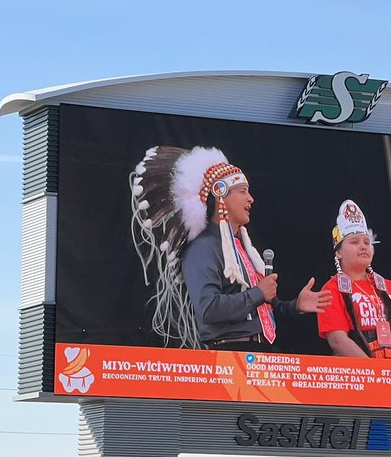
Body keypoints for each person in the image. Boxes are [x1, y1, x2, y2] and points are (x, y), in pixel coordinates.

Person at [130, 145, 330, 349]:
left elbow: (262, 308)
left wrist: (295, 306)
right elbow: (208, 309)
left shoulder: (243, 248)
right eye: (243, 191)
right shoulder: (202, 248)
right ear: (220, 196)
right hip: (231, 353)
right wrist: (258, 293)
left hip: (261, 352)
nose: (251, 199)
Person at [318, 200, 391, 359]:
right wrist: (372, 372)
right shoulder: (331, 289)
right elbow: (337, 339)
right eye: (354, 242)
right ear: (339, 253)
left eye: (367, 242)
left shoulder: (388, 286)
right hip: (358, 375)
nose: (363, 246)